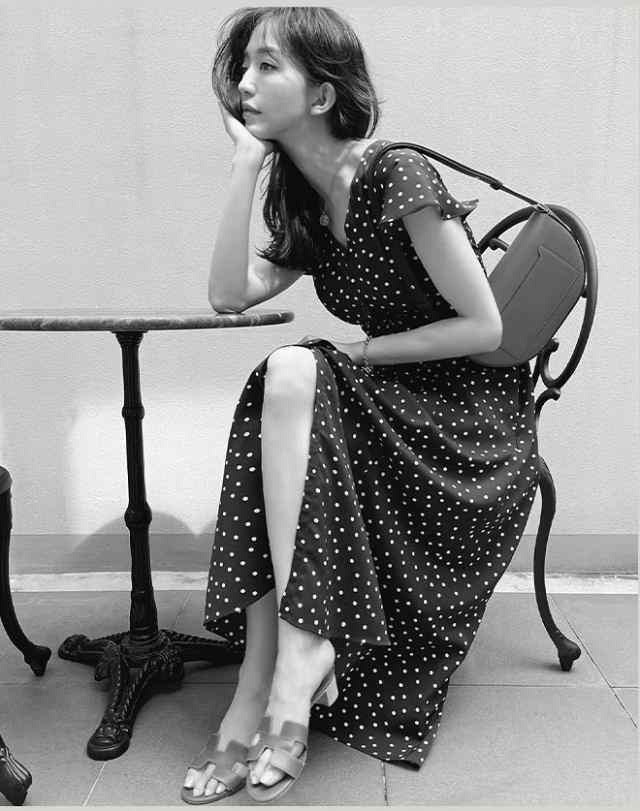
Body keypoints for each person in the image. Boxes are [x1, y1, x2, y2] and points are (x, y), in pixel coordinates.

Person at [182, 5, 539, 804]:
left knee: (296, 370)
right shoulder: (304, 202)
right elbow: (227, 294)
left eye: (267, 66)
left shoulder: (395, 174)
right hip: (384, 402)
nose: (245, 84)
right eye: (242, 68)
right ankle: (282, 668)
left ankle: (272, 681)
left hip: (466, 415)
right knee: (282, 378)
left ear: (320, 93)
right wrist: (244, 165)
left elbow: (484, 326)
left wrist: (356, 353)